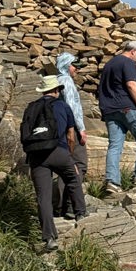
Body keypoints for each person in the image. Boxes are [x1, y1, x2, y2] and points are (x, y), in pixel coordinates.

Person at [23, 74, 87, 252]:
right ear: (57, 90)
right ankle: (80, 213)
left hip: (36, 156)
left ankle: (49, 238)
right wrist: (70, 157)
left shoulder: (31, 107)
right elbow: (70, 135)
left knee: (43, 197)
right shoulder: (63, 106)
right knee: (73, 177)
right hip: (58, 151)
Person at [97, 39, 136, 192]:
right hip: (127, 107)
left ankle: (112, 182)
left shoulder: (109, 65)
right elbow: (131, 85)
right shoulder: (128, 63)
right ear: (133, 51)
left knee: (115, 145)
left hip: (109, 110)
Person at [54, 52, 88, 218]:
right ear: (67, 65)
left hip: (59, 129)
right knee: (78, 165)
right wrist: (80, 128)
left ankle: (60, 206)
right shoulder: (66, 81)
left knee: (63, 167)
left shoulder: (55, 81)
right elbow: (72, 106)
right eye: (75, 66)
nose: (77, 70)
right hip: (71, 129)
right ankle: (71, 205)